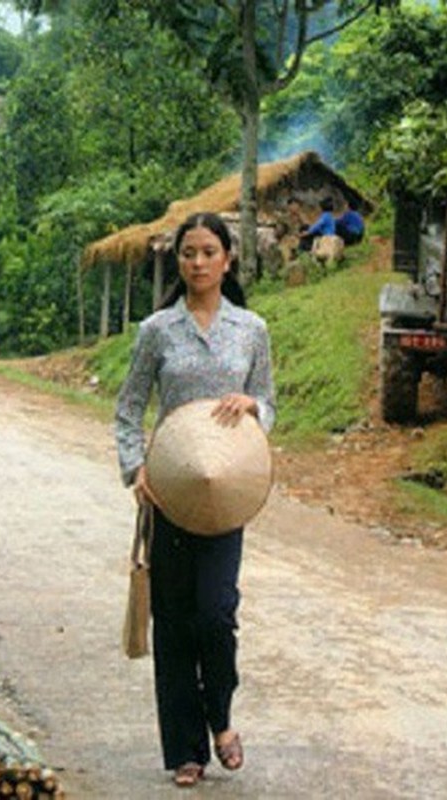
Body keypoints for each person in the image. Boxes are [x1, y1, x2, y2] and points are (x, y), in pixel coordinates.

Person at [115, 212, 276, 788]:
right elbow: (129, 408)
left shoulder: (250, 329)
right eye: (188, 253)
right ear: (178, 260)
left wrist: (253, 407)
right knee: (175, 623)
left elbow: (269, 404)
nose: (198, 262)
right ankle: (186, 749)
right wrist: (135, 470)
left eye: (209, 252)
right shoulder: (157, 330)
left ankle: (221, 718)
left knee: (216, 615)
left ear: (228, 259)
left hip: (226, 494)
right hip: (168, 493)